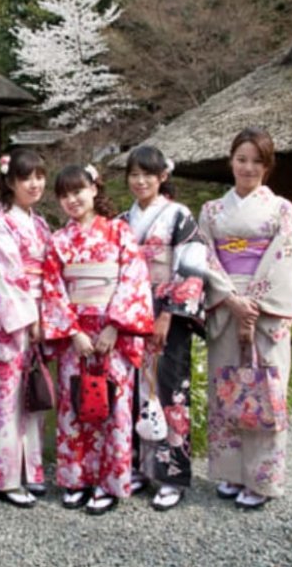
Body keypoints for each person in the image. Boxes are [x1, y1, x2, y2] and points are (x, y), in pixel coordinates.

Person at [197, 127, 292, 510]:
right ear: (231, 161)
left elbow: (285, 257)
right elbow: (205, 256)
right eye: (242, 159)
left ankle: (263, 479)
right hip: (226, 306)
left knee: (266, 388)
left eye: (257, 161)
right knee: (227, 386)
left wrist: (253, 303)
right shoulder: (211, 211)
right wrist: (230, 299)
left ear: (268, 166)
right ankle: (231, 472)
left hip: (265, 310)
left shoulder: (281, 209)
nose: (248, 167)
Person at [41, 164, 154, 516]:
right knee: (75, 407)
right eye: (64, 195)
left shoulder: (120, 232)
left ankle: (109, 482)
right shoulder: (58, 241)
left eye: (78, 191)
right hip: (76, 335)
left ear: (94, 189)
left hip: (112, 336)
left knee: (114, 410)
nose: (72, 199)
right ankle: (76, 479)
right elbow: (52, 290)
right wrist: (72, 332)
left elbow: (134, 279)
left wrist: (115, 327)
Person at [121, 145, 207, 511]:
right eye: (134, 175)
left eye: (148, 175)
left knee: (168, 390)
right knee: (132, 392)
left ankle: (172, 475)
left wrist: (169, 313)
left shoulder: (178, 215)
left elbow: (191, 265)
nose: (140, 181)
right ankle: (139, 466)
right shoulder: (123, 219)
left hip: (164, 314)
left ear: (162, 177)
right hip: (129, 313)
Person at [0, 147, 52, 508]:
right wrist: (31, 318)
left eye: (40, 176)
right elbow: (2, 278)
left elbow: (50, 273)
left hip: (38, 316)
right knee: (6, 399)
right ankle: (4, 476)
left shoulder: (39, 224)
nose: (35, 183)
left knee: (32, 396)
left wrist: (48, 314)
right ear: (10, 182)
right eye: (27, 178)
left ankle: (32, 470)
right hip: (11, 323)